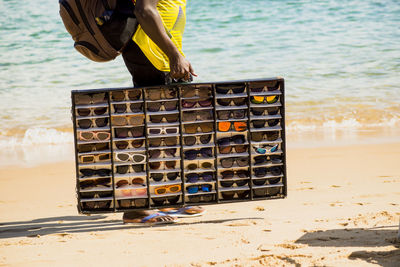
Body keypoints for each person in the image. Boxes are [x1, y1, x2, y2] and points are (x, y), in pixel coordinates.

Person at [102, 0, 202, 224]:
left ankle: (168, 197)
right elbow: (144, 10)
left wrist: (174, 54)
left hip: (157, 54)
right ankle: (136, 207)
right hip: (151, 54)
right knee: (154, 131)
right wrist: (174, 55)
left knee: (165, 131)